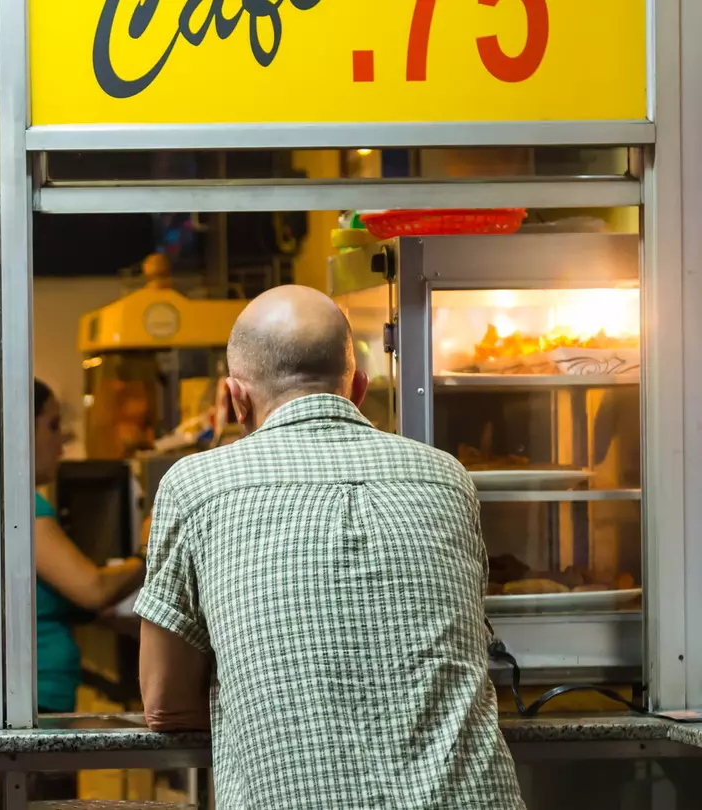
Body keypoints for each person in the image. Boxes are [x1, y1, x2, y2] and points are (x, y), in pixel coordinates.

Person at [136, 285, 523, 809]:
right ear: (358, 388)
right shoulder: (445, 478)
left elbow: (166, 704)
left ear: (235, 398)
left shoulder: (198, 484)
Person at [0, 380, 145, 715]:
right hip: (26, 699)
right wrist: (149, 550)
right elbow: (92, 587)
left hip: (23, 695)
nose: (63, 442)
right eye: (53, 426)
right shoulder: (17, 509)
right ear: (21, 432)